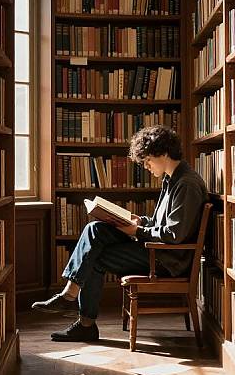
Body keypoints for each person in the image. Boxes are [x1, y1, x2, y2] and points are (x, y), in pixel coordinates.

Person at [31, 124, 209, 341]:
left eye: (147, 161)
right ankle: (72, 299)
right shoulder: (171, 180)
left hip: (167, 259)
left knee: (94, 258)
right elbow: (162, 222)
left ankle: (79, 312)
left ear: (163, 153)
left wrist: (137, 231)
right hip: (157, 250)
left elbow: (174, 234)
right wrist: (138, 221)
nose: (146, 166)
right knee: (95, 229)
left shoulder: (186, 184)